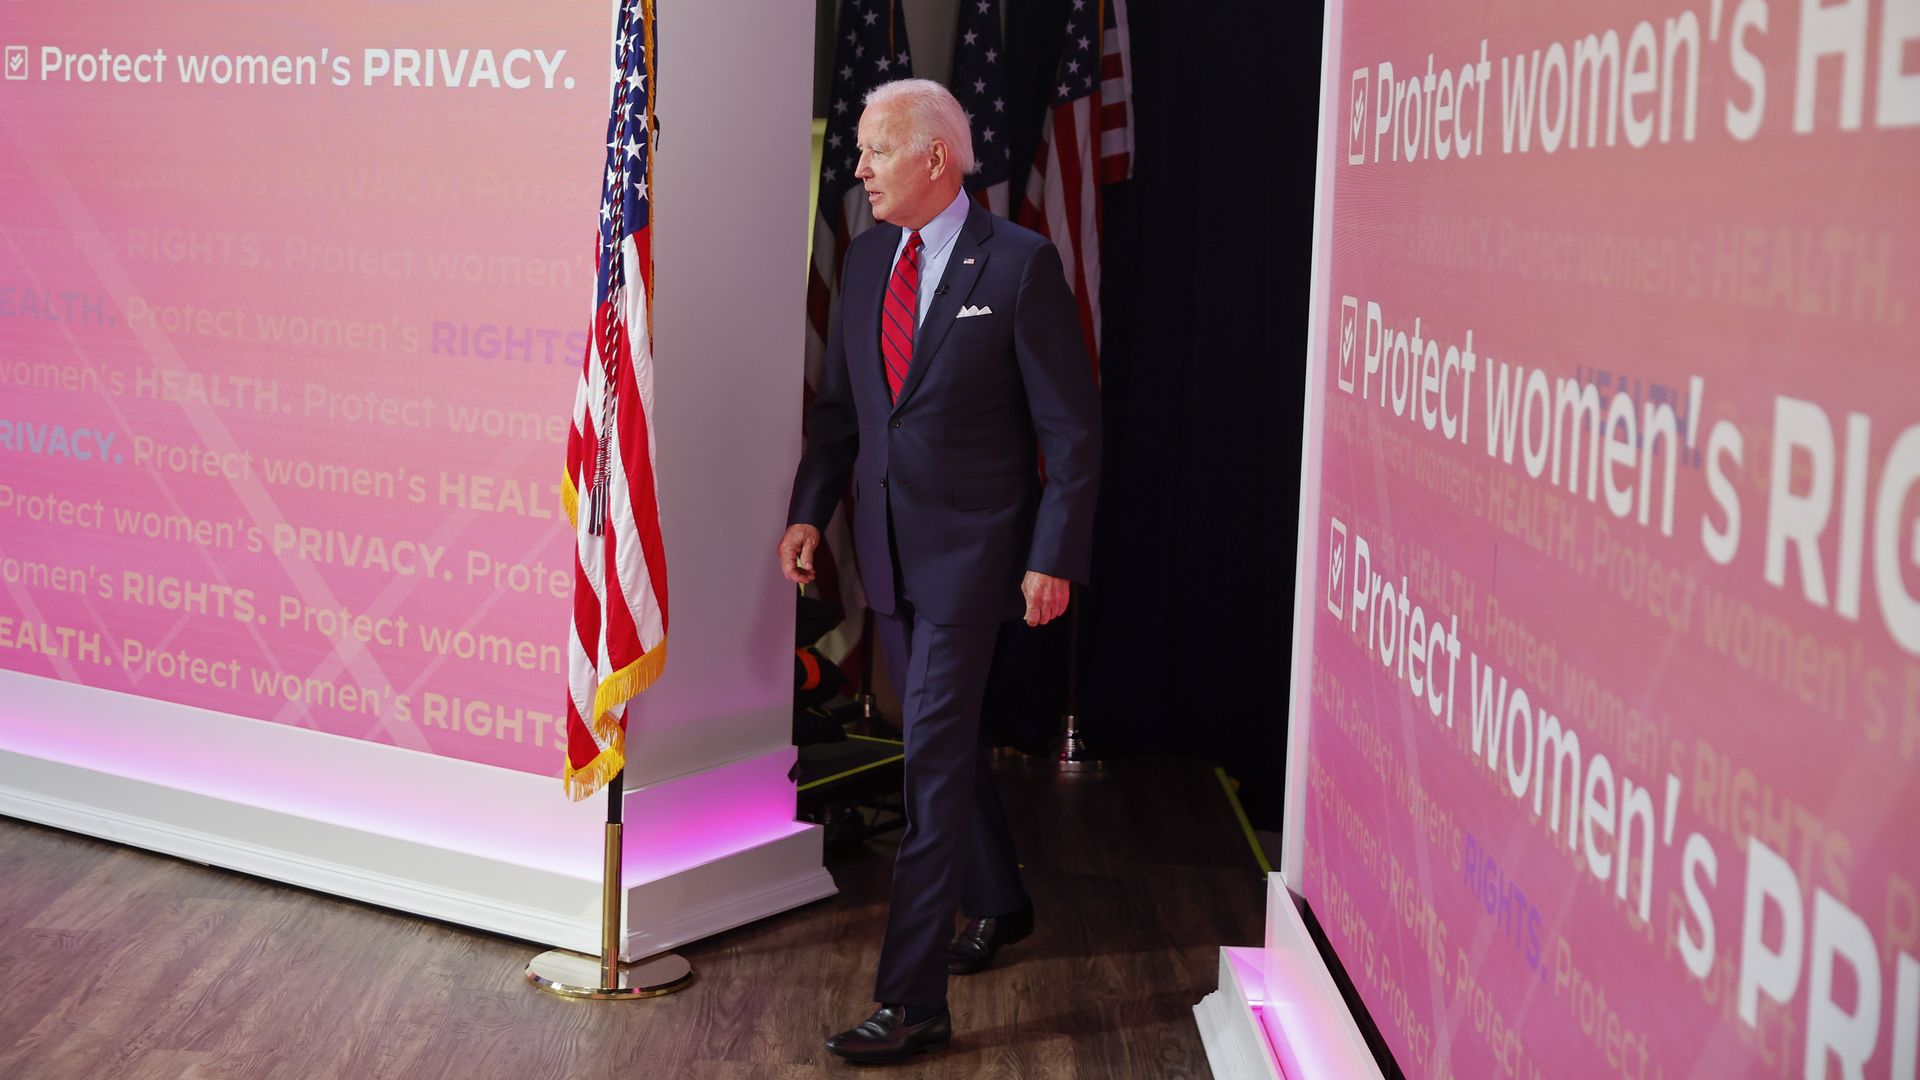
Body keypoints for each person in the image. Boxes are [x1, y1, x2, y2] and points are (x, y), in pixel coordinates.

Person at [778, 78, 1101, 1064]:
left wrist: (1053, 556)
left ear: (932, 158)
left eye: (876, 152)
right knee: (938, 741)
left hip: (974, 562)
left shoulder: (1022, 264)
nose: (860, 168)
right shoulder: (871, 260)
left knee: (925, 768)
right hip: (886, 553)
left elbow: (1072, 431)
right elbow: (841, 416)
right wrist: (807, 514)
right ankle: (1000, 899)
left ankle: (913, 1001)